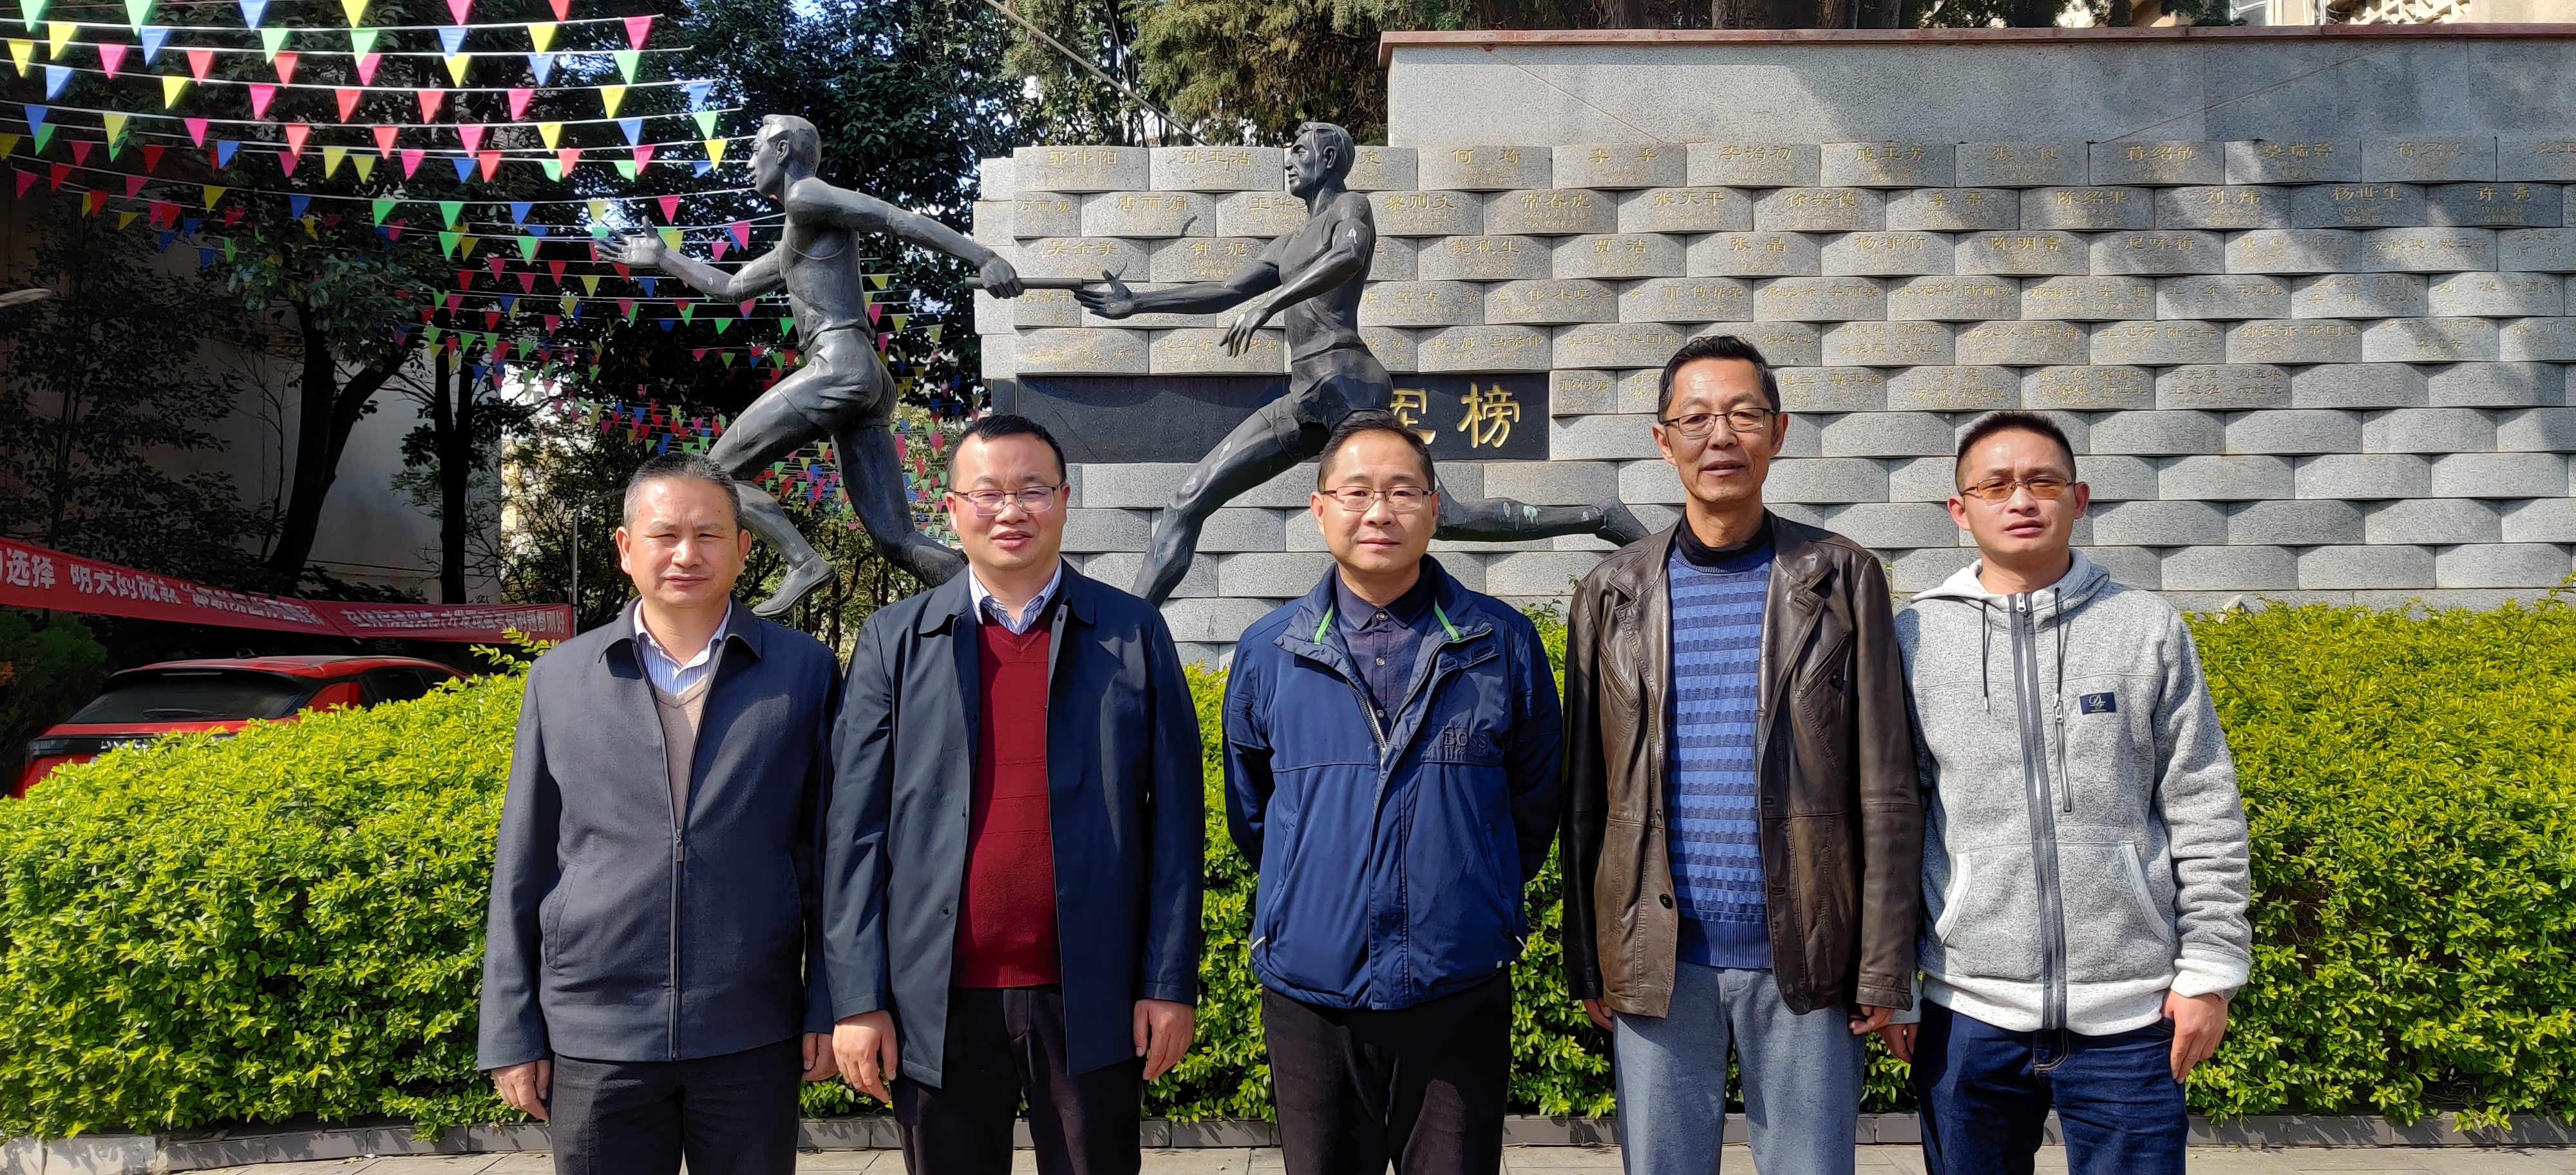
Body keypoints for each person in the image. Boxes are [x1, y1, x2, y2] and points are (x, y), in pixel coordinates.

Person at [1560, 334, 1922, 1175]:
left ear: (1778, 431)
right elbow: (1586, 796)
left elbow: (1887, 784)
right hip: (1659, 956)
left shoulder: (1841, 578)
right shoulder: (1612, 592)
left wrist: (1883, 966)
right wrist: (1589, 959)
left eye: (1743, 414)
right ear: (1663, 441)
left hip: (1808, 955)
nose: (1720, 436)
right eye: (1695, 419)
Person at [822, 414, 1204, 1175]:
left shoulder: (1131, 632)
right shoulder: (896, 640)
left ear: (1063, 499)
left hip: (1089, 990)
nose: (1010, 510)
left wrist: (1167, 984)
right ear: (952, 507)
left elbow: (1175, 826)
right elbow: (854, 832)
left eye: (1032, 490)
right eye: (987, 493)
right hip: (935, 997)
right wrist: (858, 998)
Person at [1882, 410, 2252, 1175]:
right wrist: (1894, 984)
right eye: (1994, 486)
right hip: (1967, 1012)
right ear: (1959, 510)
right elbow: (1893, 822)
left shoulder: (2144, 627)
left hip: (2132, 1016)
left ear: (2077, 499)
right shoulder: (1913, 639)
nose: (2020, 500)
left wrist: (2211, 972)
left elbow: (2202, 803)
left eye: (2041, 482)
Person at [1075, 120, 1642, 606]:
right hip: (1307, 397)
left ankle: (1599, 515)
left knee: (1447, 517)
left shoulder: (1350, 208)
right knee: (1186, 501)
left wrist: (1272, 302)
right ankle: (1133, 635)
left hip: (1348, 386)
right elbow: (1225, 291)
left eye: (1299, 151)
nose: (1288, 161)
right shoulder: (1288, 242)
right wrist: (1138, 303)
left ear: (1328, 158)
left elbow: (1349, 254)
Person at [477, 452, 842, 1175]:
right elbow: (524, 861)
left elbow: (829, 856)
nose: (685, 554)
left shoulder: (804, 672)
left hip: (750, 1028)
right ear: (625, 548)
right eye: (665, 534)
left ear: (743, 549)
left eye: (708, 535)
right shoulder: (561, 678)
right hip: (597, 1036)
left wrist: (829, 1004)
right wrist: (510, 1029)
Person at [1220, 411, 1564, 1175]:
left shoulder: (1499, 643)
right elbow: (1254, 815)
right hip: (1311, 993)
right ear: (1319, 509)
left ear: (1435, 508)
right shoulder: (1268, 652)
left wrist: (1476, 892)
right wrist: (1305, 895)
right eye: (1356, 492)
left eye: (1403, 492)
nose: (1379, 512)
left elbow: (1534, 803)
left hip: (1457, 986)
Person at [613, 113, 1023, 614]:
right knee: (897, 538)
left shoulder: (807, 195)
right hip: (864, 376)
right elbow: (732, 286)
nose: (749, 162)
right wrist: (664, 258)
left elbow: (895, 218)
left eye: (755, 149)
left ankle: (803, 562)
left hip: (838, 366)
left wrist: (983, 257)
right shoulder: (798, 229)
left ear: (783, 150)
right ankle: (998, 608)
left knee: (713, 473)